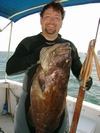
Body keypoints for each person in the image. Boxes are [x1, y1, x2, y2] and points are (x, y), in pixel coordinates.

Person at [6, 1, 93, 133]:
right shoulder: (28, 43)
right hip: (29, 102)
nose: (52, 21)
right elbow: (10, 69)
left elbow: (79, 72)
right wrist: (35, 57)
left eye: (57, 18)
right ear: (41, 20)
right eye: (47, 16)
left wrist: (86, 80)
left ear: (61, 23)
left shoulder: (67, 47)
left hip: (56, 105)